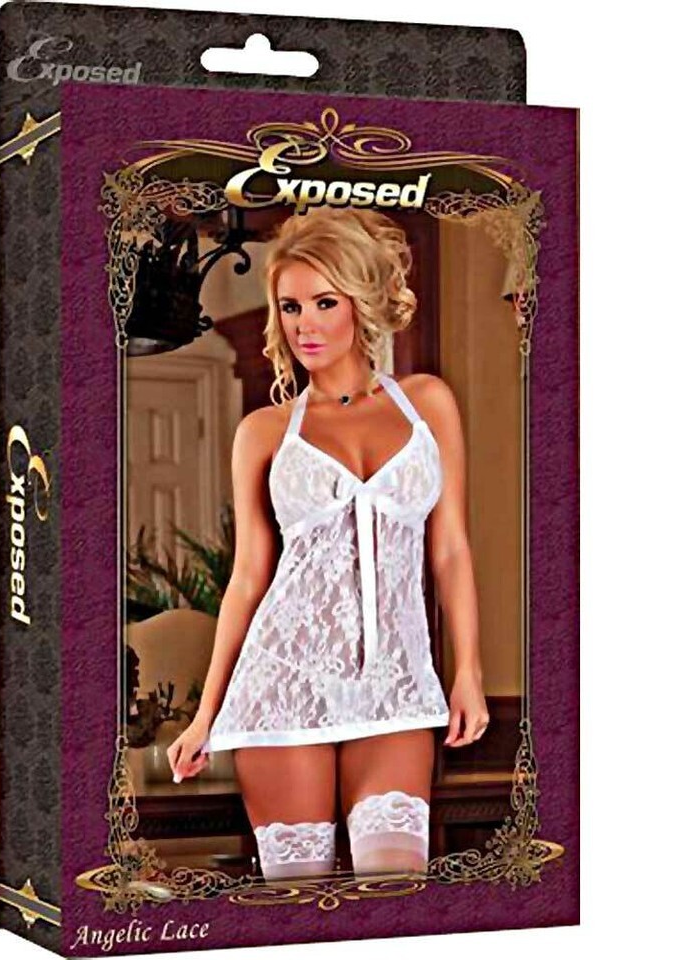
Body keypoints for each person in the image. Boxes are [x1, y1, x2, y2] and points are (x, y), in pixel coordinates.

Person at [167, 205, 488, 881]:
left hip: (396, 684)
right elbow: (248, 578)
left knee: (395, 889)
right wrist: (205, 715)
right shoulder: (264, 432)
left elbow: (451, 548)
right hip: (284, 682)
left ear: (360, 303)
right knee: (300, 901)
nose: (304, 325)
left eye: (324, 302)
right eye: (290, 307)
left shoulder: (427, 404)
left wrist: (468, 672)